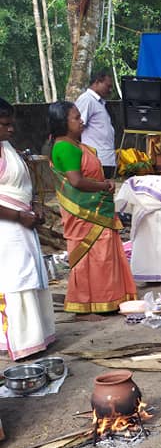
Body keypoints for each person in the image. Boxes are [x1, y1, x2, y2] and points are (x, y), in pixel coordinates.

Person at [49, 100, 137, 316]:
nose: (82, 121)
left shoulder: (75, 145)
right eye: (76, 118)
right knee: (94, 255)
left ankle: (108, 297)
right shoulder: (65, 148)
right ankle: (94, 301)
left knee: (103, 254)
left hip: (96, 208)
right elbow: (77, 181)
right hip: (85, 213)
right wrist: (104, 185)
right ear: (62, 122)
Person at [0, 98, 55, 359]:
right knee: (16, 279)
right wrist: (18, 215)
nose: (11, 129)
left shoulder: (8, 147)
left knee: (31, 274)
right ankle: (19, 340)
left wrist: (34, 207)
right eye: (5, 124)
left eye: (11, 123)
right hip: (7, 226)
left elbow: (25, 185)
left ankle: (37, 336)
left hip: (23, 221)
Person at [74, 69, 116, 178]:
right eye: (108, 86)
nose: (110, 90)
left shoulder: (100, 102)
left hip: (106, 158)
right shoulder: (86, 100)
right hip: (95, 158)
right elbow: (76, 127)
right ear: (97, 82)